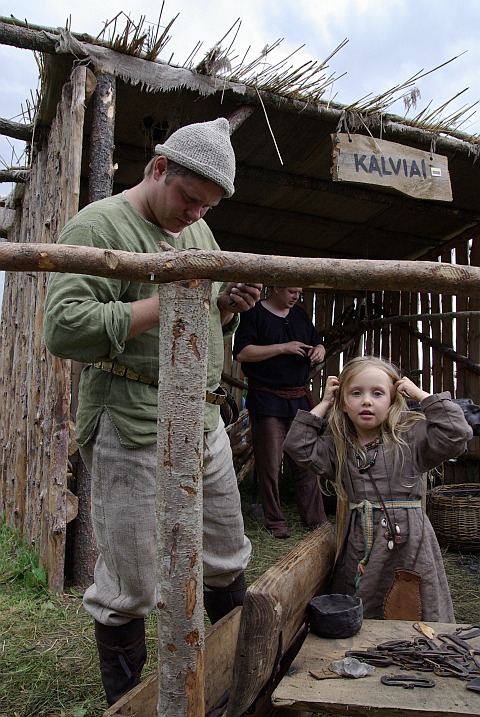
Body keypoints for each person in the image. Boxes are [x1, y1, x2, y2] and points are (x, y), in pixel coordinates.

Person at [43, 118, 262, 706]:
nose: (197, 215)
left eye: (208, 207)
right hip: (130, 420)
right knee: (132, 582)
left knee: (225, 554)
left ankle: (228, 683)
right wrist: (164, 302)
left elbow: (202, 319)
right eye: (190, 199)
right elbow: (63, 328)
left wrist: (226, 306)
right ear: (159, 168)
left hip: (203, 420)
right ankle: (129, 704)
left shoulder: (199, 231)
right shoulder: (98, 226)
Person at [283, 356, 472, 621]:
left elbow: (456, 433)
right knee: (361, 595)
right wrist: (325, 402)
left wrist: (420, 395)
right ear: (343, 403)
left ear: (393, 400)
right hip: (360, 540)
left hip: (408, 540)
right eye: (356, 393)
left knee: (413, 598)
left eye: (377, 393)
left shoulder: (410, 437)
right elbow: (298, 446)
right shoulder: (339, 447)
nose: (366, 401)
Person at [233, 286, 327, 539]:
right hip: (267, 399)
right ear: (275, 288)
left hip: (299, 399)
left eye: (299, 292)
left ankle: (316, 522)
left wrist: (320, 349)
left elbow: (317, 341)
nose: (296, 296)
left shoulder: (300, 315)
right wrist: (283, 347)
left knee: (306, 462)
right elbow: (241, 353)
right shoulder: (254, 314)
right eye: (291, 291)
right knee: (270, 465)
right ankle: (276, 524)